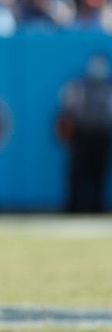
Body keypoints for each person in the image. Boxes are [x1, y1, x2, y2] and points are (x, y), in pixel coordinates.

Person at [55, 52, 112, 213]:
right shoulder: (79, 85)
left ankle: (97, 207)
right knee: (76, 173)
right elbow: (67, 109)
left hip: (102, 135)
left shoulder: (109, 88)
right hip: (81, 135)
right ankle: (73, 207)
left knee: (99, 173)